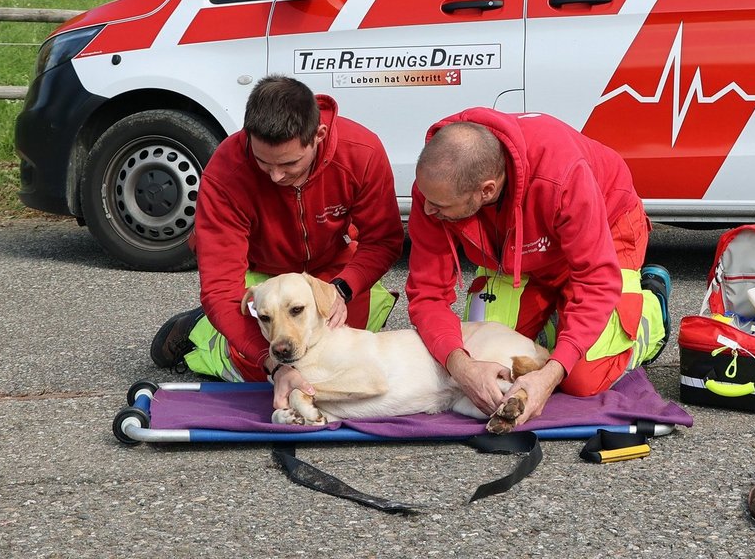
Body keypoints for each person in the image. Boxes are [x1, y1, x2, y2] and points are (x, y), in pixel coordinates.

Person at [404, 108, 670, 428]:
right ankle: (560, 314)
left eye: (440, 206)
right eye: (426, 199)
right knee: (487, 357)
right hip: (530, 253)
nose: (427, 210)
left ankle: (651, 307)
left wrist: (550, 375)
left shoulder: (562, 174)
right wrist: (461, 367)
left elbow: (595, 279)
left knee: (582, 378)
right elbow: (427, 293)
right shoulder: (438, 186)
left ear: (487, 190)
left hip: (608, 234)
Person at [150, 75, 404, 409]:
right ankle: (204, 332)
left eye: (289, 163)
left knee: (342, 358)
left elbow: (383, 241)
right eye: (262, 162)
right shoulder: (225, 173)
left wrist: (343, 289)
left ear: (319, 136)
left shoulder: (362, 151)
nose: (275, 176)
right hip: (262, 278)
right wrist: (271, 364)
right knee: (265, 373)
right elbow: (221, 289)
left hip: (333, 274)